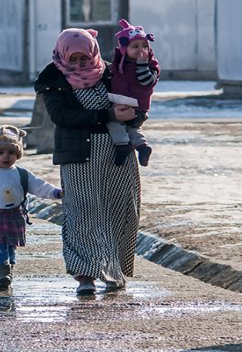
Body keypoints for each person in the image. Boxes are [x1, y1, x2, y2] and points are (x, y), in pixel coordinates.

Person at [34, 28, 140, 296]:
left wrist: (133, 115)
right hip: (79, 156)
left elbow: (137, 103)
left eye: (85, 58)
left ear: (94, 52)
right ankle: (85, 275)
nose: (80, 64)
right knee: (82, 213)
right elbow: (62, 116)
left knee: (118, 209)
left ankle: (113, 269)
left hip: (117, 154)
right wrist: (107, 115)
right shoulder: (53, 79)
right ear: (63, 55)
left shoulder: (111, 73)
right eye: (74, 59)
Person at [0, 125, 62, 292]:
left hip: (15, 214)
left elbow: (40, 187)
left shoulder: (22, 174)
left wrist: (56, 193)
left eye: (11, 153)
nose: (6, 156)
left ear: (18, 154)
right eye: (0, 153)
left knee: (11, 246)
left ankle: (8, 270)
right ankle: (3, 273)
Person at [109, 19, 160, 166]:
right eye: (135, 46)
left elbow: (147, 81)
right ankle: (142, 147)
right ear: (125, 49)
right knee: (131, 129)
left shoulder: (151, 65)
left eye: (144, 46)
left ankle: (122, 146)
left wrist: (143, 65)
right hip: (123, 103)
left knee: (114, 122)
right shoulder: (119, 65)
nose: (141, 50)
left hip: (138, 108)